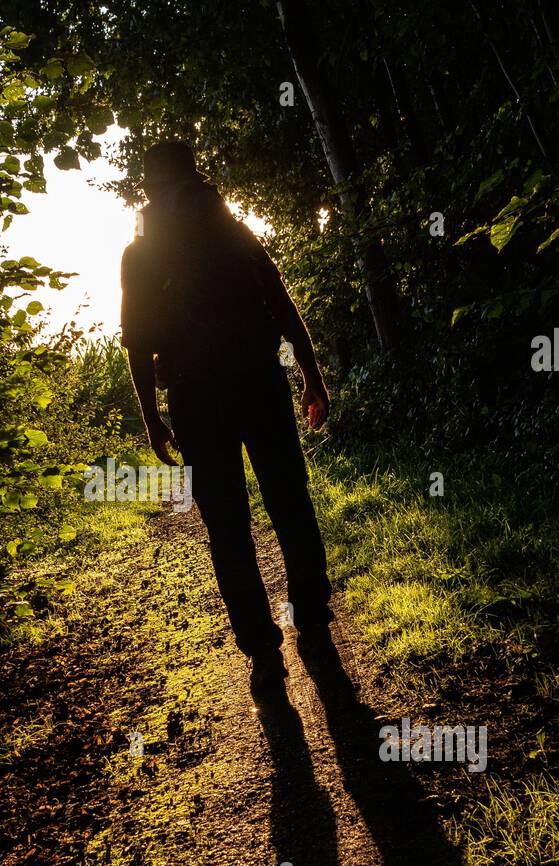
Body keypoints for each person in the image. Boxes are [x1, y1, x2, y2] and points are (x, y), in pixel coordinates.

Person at [120, 140, 337, 691]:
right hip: (260, 385)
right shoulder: (232, 231)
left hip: (198, 402)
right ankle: (311, 624)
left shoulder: (141, 253)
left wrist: (152, 417)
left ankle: (263, 653)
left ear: (151, 184)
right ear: (194, 176)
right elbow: (281, 304)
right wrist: (311, 375)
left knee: (228, 527)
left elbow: (137, 343)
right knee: (289, 503)